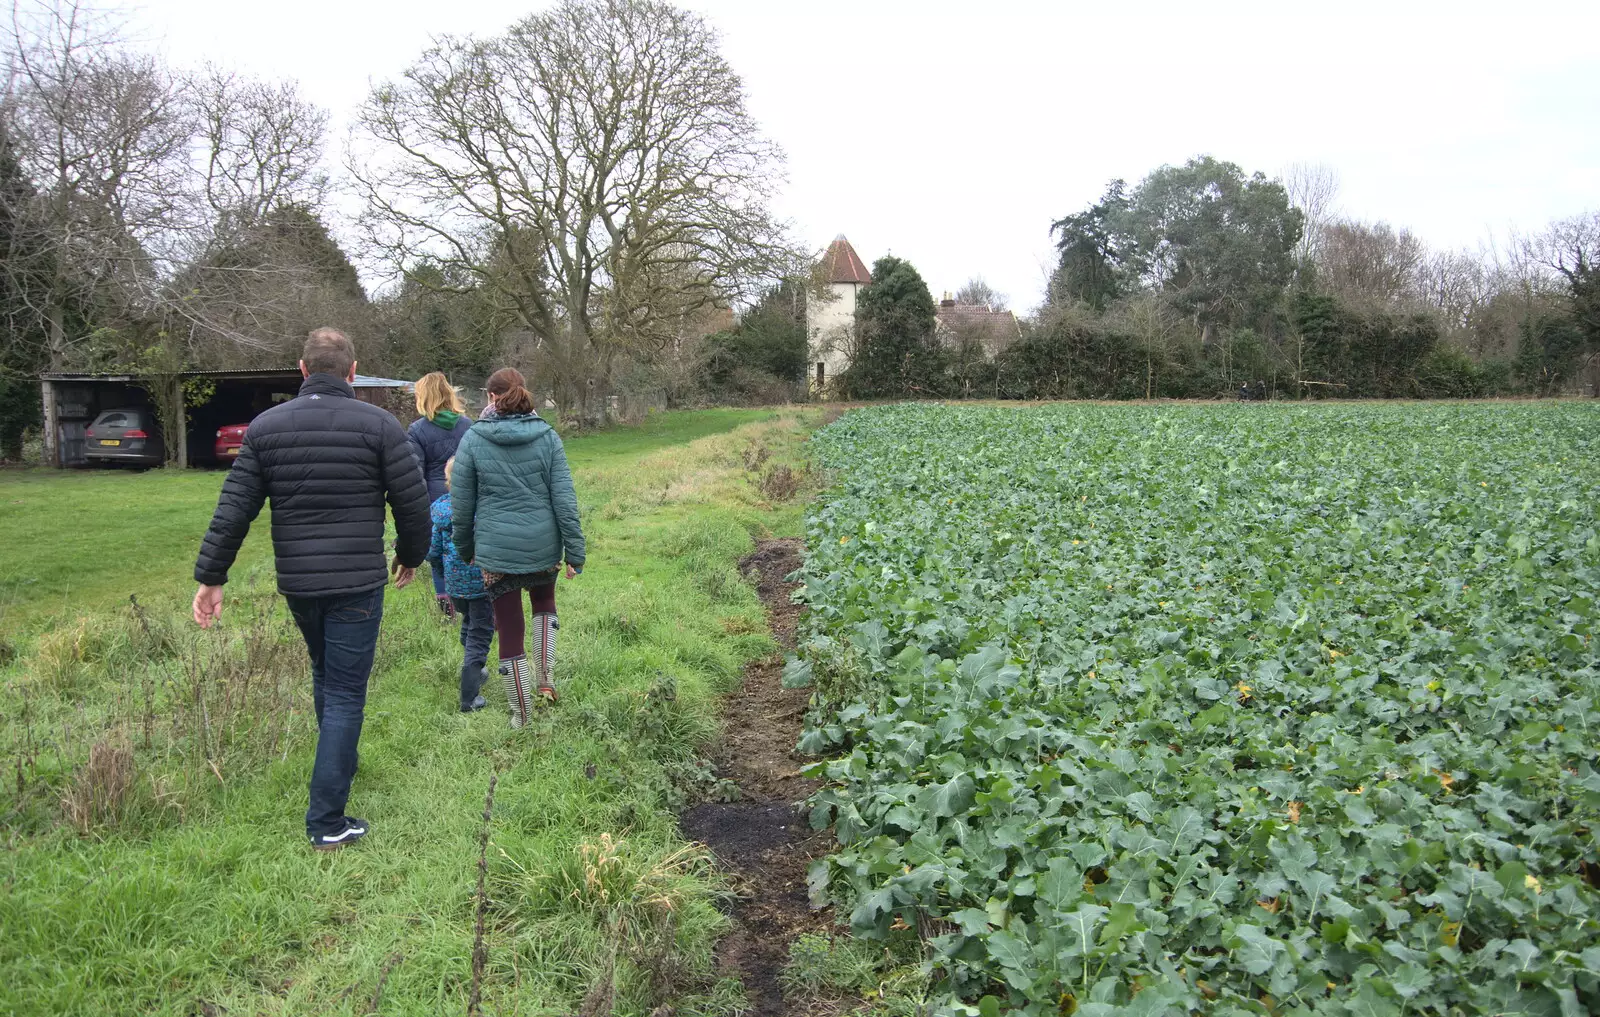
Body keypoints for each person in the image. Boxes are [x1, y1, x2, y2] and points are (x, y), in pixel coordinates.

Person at [192, 328, 432, 851]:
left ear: (302, 370)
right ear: (353, 371)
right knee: (345, 691)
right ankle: (327, 822)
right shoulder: (380, 425)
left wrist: (212, 577)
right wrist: (410, 557)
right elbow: (412, 504)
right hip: (357, 583)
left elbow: (234, 509)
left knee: (326, 673)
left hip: (299, 583)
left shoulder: (265, 428)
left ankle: (338, 763)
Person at [450, 367, 585, 727]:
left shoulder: (474, 439)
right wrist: (575, 552)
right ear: (524, 394)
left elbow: (461, 506)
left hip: (496, 550)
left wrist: (464, 549)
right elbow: (565, 500)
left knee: (509, 628)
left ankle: (521, 717)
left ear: (491, 397)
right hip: (543, 543)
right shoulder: (548, 436)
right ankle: (545, 683)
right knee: (544, 605)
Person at [427, 455, 492, 713]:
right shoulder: (482, 511)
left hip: (454, 586)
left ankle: (473, 665)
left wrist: (442, 573)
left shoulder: (441, 511)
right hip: (481, 583)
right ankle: (470, 696)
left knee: (469, 620)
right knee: (481, 632)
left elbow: (433, 551)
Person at [407, 372, 473, 610]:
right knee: (468, 549)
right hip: (467, 497)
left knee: (438, 556)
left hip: (435, 502)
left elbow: (416, 473)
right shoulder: (468, 426)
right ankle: (473, 601)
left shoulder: (417, 430)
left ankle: (447, 610)